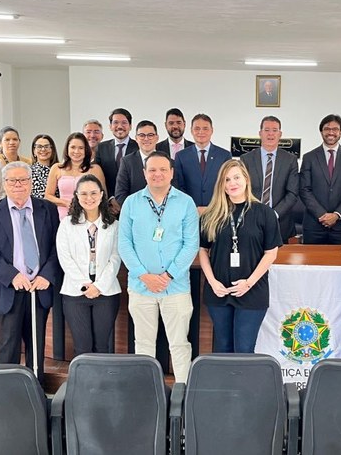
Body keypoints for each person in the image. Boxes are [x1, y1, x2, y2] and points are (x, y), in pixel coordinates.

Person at [118, 152, 199, 382]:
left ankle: (183, 395)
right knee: (143, 344)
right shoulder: (131, 203)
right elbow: (124, 244)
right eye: (152, 170)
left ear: (172, 173)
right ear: (144, 173)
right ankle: (146, 395)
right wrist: (144, 275)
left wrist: (169, 275)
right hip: (140, 286)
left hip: (176, 287)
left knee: (179, 344)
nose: (158, 174)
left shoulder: (185, 203)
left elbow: (191, 243)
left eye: (163, 169)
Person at [0, 161, 61, 380]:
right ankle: (6, 392)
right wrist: (12, 276)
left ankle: (36, 391)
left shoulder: (48, 209)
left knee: (36, 345)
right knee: (8, 345)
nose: (18, 185)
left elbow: (57, 246)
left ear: (31, 183)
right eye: (12, 180)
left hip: (39, 288)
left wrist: (46, 275)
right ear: (4, 184)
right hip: (10, 288)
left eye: (23, 180)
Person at [198, 160, 281, 352]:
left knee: (244, 349)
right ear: (222, 185)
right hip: (219, 291)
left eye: (236, 177)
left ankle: (244, 383)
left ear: (246, 179)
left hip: (252, 291)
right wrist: (212, 282)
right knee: (223, 347)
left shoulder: (264, 213)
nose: (232, 183)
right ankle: (222, 384)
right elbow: (203, 250)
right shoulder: (211, 215)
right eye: (226, 180)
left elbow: (271, 253)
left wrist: (249, 283)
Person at [56, 174, 121, 355]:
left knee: (102, 346)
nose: (89, 198)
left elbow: (116, 258)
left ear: (101, 195)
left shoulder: (114, 225)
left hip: (106, 292)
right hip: (75, 293)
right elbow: (65, 258)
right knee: (82, 347)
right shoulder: (67, 224)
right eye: (83, 194)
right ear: (76, 196)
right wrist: (85, 285)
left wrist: (99, 286)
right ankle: (84, 384)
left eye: (93, 193)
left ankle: (104, 384)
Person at [298, 114, 341, 244]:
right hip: (313, 225)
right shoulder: (309, 157)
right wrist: (322, 215)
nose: (331, 132)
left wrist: (336, 215)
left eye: (335, 129)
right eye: (327, 129)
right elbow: (304, 190)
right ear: (321, 131)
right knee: (311, 263)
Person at [240, 116, 299, 240]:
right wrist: (255, 213)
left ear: (280, 134)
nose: (270, 134)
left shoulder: (290, 160)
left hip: (280, 222)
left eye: (275, 130)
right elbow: (242, 190)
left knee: (281, 259)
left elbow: (292, 193)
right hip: (251, 219)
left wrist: (274, 214)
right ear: (260, 133)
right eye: (266, 130)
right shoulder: (246, 159)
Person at [174, 114, 231, 213]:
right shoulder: (181, 156)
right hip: (189, 211)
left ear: (212, 130)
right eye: (197, 128)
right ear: (191, 130)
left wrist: (214, 207)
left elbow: (227, 185)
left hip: (217, 212)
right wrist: (193, 207)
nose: (201, 132)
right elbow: (179, 186)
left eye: (205, 128)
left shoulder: (224, 155)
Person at [45, 132, 106, 219]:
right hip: (63, 216)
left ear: (86, 150)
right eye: (73, 147)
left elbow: (103, 196)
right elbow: (48, 196)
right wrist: (65, 203)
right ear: (67, 149)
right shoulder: (56, 168)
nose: (76, 151)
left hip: (90, 216)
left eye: (81, 148)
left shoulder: (95, 169)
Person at [114, 120, 159, 205]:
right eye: (142, 135)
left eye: (150, 135)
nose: (146, 139)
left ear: (157, 138)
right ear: (136, 138)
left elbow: (174, 191)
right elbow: (120, 194)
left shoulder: (167, 161)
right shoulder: (126, 162)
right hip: (135, 214)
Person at [97, 108, 138, 198]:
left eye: (124, 122)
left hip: (132, 201)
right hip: (108, 203)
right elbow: (97, 177)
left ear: (130, 126)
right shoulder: (101, 147)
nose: (119, 126)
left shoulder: (138, 147)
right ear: (110, 126)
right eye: (115, 122)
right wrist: (110, 199)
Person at [29, 134, 59, 199]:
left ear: (52, 150)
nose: (43, 149)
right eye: (39, 146)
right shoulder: (28, 172)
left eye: (47, 146)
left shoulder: (61, 169)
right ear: (34, 151)